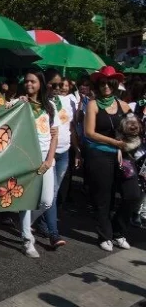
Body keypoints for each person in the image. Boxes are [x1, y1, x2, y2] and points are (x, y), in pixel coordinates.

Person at [83, 66, 140, 252]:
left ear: (115, 84)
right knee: (103, 198)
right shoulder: (93, 104)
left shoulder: (123, 105)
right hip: (99, 155)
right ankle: (105, 235)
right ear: (98, 85)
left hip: (123, 156)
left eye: (109, 83)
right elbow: (89, 133)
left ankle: (118, 231)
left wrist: (134, 131)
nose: (106, 86)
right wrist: (115, 142)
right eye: (102, 83)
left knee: (132, 195)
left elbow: (133, 128)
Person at [8, 69, 58, 258]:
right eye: (27, 81)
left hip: (45, 158)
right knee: (27, 200)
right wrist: (16, 104)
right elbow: (0, 113)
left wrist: (49, 160)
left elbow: (54, 136)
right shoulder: (19, 104)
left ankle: (24, 223)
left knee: (46, 201)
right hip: (25, 157)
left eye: (33, 81)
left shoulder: (50, 106)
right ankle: (27, 241)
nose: (29, 84)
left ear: (41, 84)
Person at [32, 69, 77, 249]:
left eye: (61, 84)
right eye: (54, 84)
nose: (58, 88)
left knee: (53, 193)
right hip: (45, 154)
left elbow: (71, 126)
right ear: (46, 83)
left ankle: (42, 224)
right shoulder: (39, 104)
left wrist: (77, 149)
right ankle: (53, 232)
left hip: (64, 152)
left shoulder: (67, 100)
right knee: (48, 194)